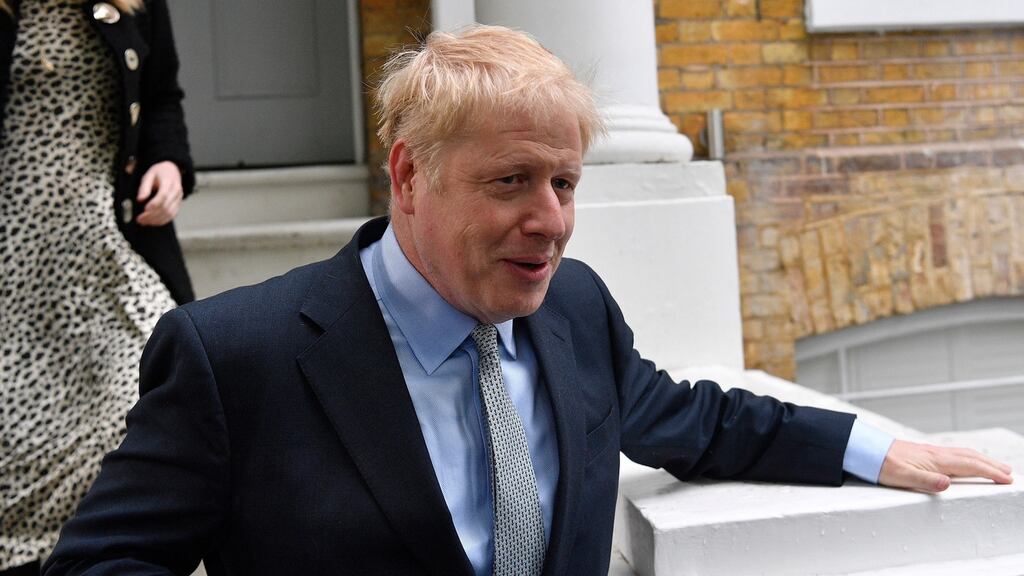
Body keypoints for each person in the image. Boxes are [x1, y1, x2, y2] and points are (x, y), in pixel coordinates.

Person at [42, 25, 1011, 576]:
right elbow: (101, 567)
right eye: (511, 183)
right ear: (409, 175)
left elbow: (690, 420)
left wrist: (876, 449)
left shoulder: (572, 310)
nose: (551, 222)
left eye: (567, 184)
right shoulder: (237, 354)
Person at [0, 0, 194, 573]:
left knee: (151, 386)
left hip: (103, 240)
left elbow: (162, 94)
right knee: (19, 437)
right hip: (12, 252)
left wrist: (168, 164)